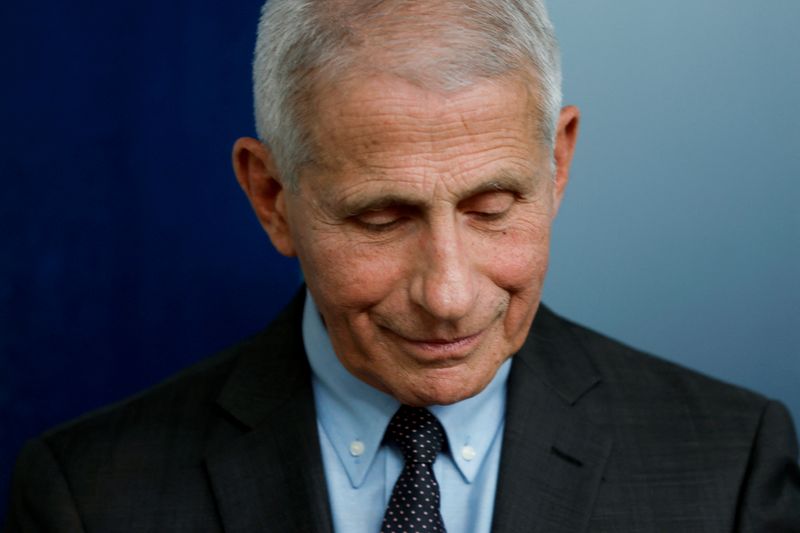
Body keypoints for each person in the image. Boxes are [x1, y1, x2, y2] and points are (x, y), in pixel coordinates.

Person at [6, 0, 800, 531]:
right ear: (272, 196)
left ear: (557, 165)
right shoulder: (91, 496)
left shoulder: (731, 466)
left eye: (492, 208)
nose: (449, 296)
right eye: (382, 220)